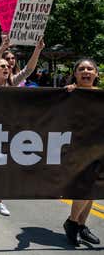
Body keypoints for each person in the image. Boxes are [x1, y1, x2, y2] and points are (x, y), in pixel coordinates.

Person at [0, 34, 44, 216]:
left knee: (3, 167)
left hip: (7, 131)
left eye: (8, 66)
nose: (7, 68)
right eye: (3, 66)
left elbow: (29, 70)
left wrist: (37, 49)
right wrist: (2, 47)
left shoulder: (12, 83)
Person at [63, 58, 101, 246]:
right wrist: (67, 95)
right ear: (75, 73)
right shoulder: (69, 94)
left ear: (96, 73)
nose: (86, 72)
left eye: (90, 69)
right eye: (81, 69)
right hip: (78, 148)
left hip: (100, 148)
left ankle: (81, 225)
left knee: (94, 189)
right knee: (85, 187)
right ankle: (71, 222)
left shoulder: (101, 95)